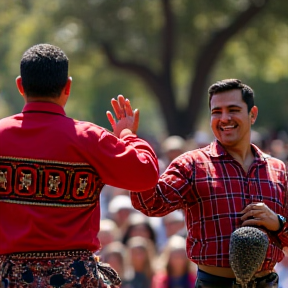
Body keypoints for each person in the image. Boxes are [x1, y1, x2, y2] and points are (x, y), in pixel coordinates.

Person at [0, 43, 159, 287]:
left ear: (20, 85)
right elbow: (146, 173)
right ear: (68, 87)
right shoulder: (89, 139)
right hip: (75, 278)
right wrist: (128, 135)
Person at [127, 79, 288, 288]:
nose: (224, 118)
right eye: (216, 112)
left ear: (253, 114)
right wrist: (130, 146)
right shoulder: (192, 164)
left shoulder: (278, 169)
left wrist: (277, 222)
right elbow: (151, 203)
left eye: (233, 110)